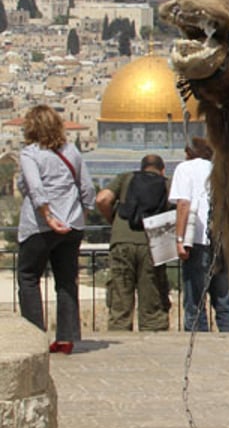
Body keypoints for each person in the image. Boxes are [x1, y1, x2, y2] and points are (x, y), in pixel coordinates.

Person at [15, 104, 96, 354]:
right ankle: (66, 338)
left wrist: (49, 217)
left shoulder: (30, 154)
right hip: (72, 225)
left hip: (39, 225)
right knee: (65, 281)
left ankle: (35, 337)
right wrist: (79, 216)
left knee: (28, 278)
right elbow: (88, 189)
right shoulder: (71, 151)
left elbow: (35, 188)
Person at [95, 154, 172, 331]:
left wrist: (113, 220)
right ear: (162, 170)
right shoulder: (167, 183)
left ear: (141, 167)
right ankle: (153, 337)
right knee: (153, 298)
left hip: (122, 242)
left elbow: (102, 199)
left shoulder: (126, 178)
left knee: (121, 296)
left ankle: (120, 336)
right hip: (153, 244)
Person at [170, 137, 229, 332]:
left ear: (189, 153)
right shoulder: (223, 170)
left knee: (195, 302)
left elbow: (183, 204)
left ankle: (200, 344)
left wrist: (180, 240)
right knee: (223, 302)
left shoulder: (185, 169)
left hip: (196, 241)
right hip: (223, 241)